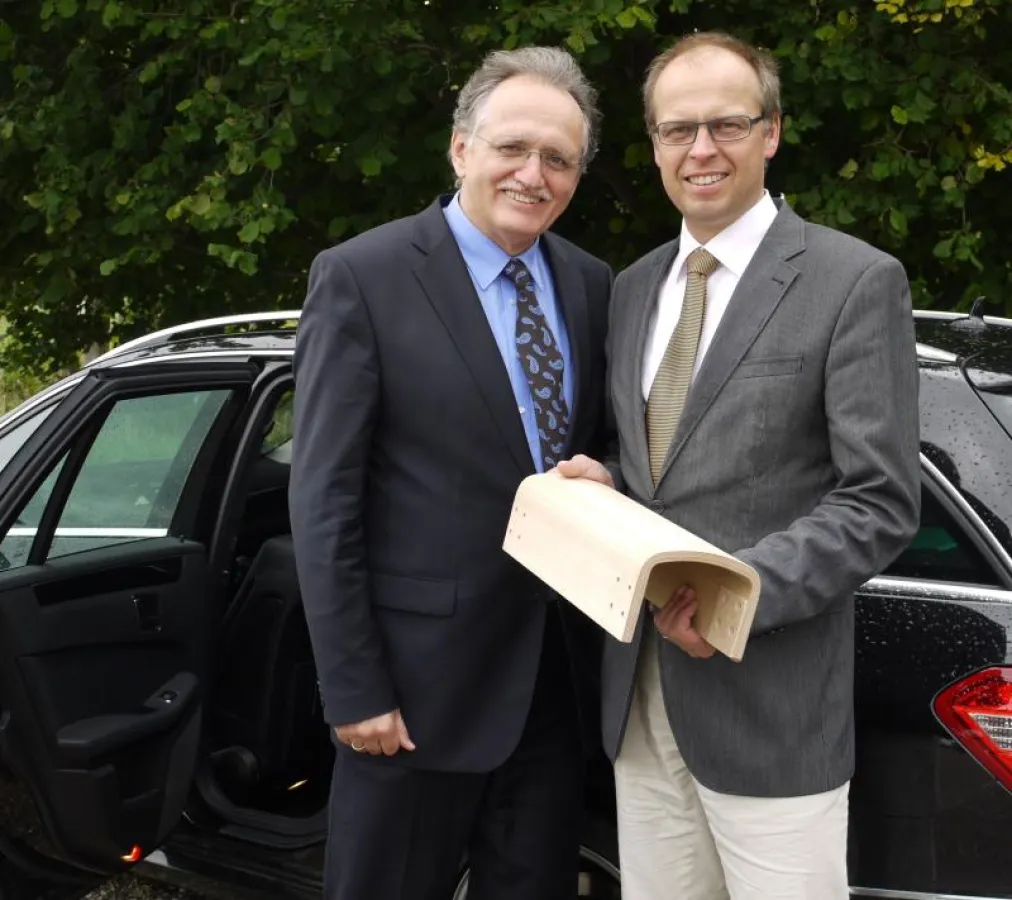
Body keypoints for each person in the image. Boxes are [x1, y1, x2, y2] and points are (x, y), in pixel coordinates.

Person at [557, 31, 920, 900]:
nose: (702, 149)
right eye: (677, 130)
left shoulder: (854, 280)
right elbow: (661, 460)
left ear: (772, 132)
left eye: (726, 124)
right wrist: (607, 479)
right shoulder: (635, 286)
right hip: (639, 703)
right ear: (653, 147)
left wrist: (735, 593)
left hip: (772, 708)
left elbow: (877, 500)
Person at [288, 46, 612, 900]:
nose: (533, 174)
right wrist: (354, 688)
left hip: (551, 693)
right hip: (408, 700)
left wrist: (607, 474)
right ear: (461, 147)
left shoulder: (589, 284)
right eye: (513, 147)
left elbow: (599, 448)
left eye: (558, 159)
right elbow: (324, 500)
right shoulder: (364, 276)